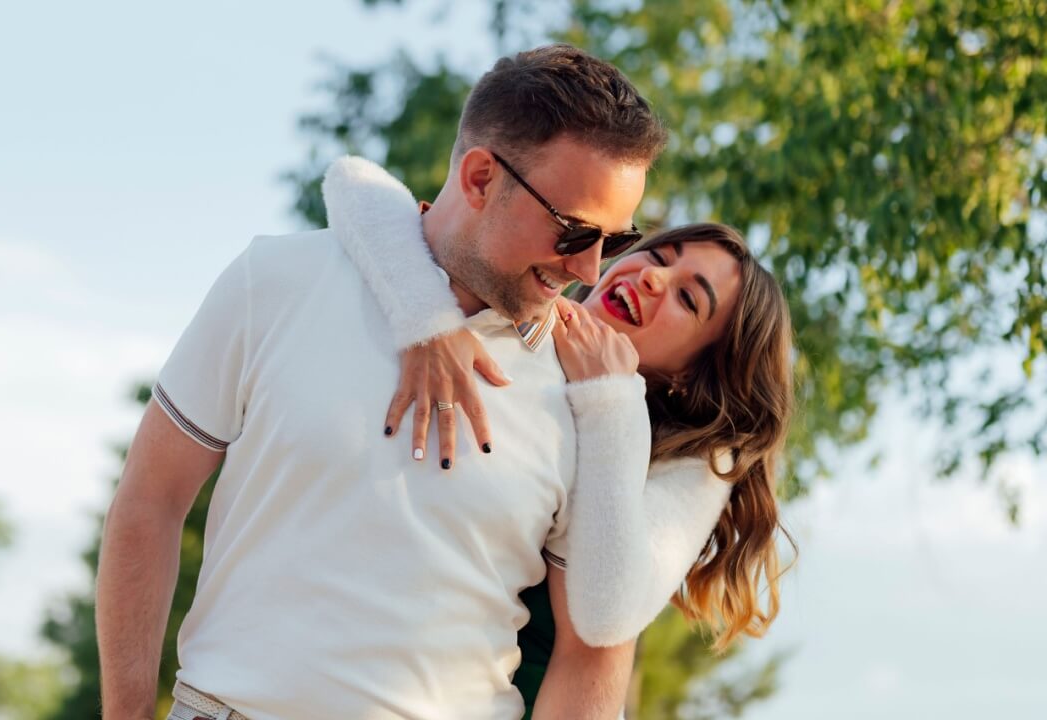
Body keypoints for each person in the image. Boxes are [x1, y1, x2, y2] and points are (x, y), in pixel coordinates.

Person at [96, 44, 668, 720]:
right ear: (481, 179)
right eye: (573, 231)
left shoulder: (585, 399)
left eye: (614, 240)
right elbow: (150, 500)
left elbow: (592, 652)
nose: (590, 271)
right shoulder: (278, 279)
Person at [320, 154, 795, 713]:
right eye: (659, 255)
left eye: (689, 299)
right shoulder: (514, 311)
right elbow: (354, 180)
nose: (653, 276)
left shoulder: (693, 465)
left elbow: (606, 617)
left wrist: (611, 398)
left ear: (693, 373)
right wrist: (426, 322)